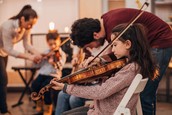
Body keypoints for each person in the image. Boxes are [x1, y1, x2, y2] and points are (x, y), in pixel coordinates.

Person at [70, 8, 172, 115]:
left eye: (89, 46)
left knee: (146, 93)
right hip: (153, 43)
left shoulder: (114, 26)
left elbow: (117, 52)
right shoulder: (105, 19)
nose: (92, 49)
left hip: (161, 41)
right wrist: (100, 59)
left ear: (95, 35)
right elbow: (115, 53)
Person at [50, 23, 158, 115]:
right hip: (103, 109)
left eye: (115, 45)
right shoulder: (131, 64)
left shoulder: (130, 69)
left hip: (105, 112)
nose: (112, 49)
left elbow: (101, 91)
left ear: (128, 44)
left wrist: (66, 88)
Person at [0, 5, 42, 115]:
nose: (31, 27)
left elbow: (27, 45)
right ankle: (4, 110)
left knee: (1, 81)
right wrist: (29, 57)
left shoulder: (26, 28)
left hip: (3, 54)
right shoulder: (7, 26)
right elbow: (8, 49)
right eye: (30, 24)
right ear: (22, 19)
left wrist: (38, 53)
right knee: (3, 80)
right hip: (2, 51)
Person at [31, 31, 66, 115]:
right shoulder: (46, 52)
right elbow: (38, 65)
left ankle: (48, 107)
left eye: (55, 43)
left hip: (53, 75)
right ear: (47, 43)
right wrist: (40, 59)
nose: (53, 46)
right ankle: (39, 101)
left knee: (46, 88)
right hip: (43, 73)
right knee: (34, 85)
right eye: (50, 44)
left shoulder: (61, 54)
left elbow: (60, 67)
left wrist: (53, 63)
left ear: (59, 41)